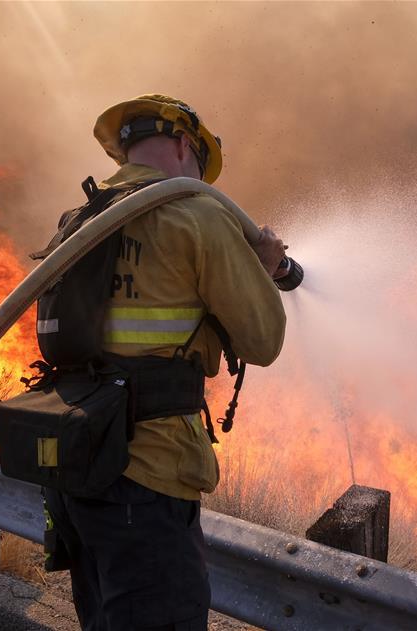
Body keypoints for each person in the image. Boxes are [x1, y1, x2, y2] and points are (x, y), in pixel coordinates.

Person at [43, 94, 288, 630]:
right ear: (184, 145)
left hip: (76, 461)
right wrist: (265, 269)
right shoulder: (197, 216)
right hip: (148, 474)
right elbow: (263, 341)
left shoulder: (79, 218)